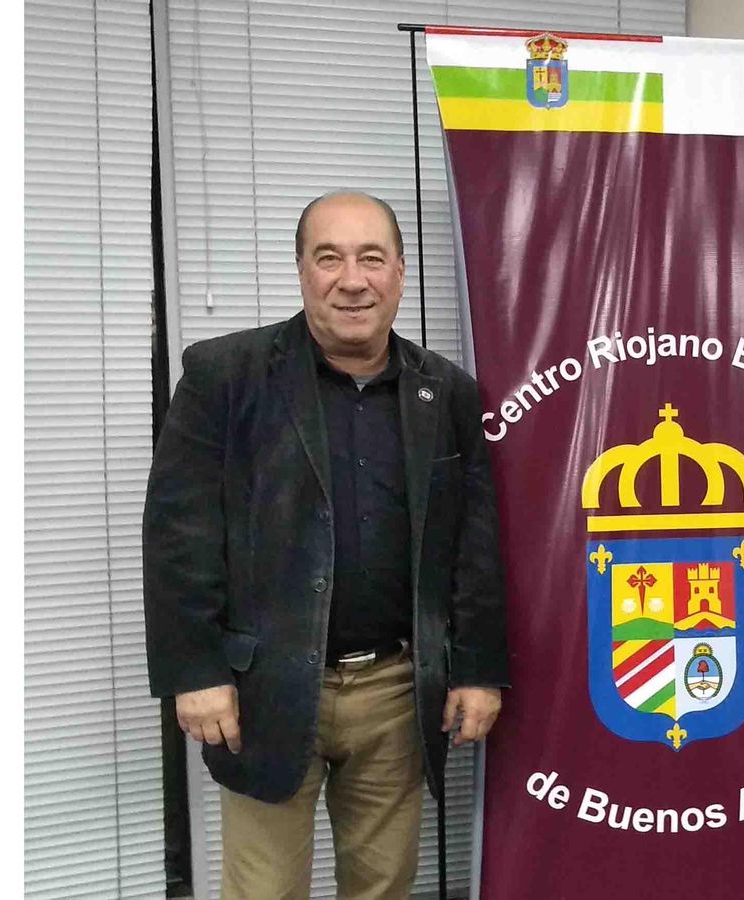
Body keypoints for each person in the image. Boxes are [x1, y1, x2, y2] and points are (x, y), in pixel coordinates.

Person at [143, 190, 509, 900]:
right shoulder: (225, 376)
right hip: (262, 691)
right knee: (264, 891)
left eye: (371, 258)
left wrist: (478, 671)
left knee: (383, 887)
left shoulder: (448, 393)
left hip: (397, 692)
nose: (352, 280)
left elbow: (474, 543)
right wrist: (196, 672)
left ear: (399, 271)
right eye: (329, 258)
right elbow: (179, 534)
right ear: (302, 270)